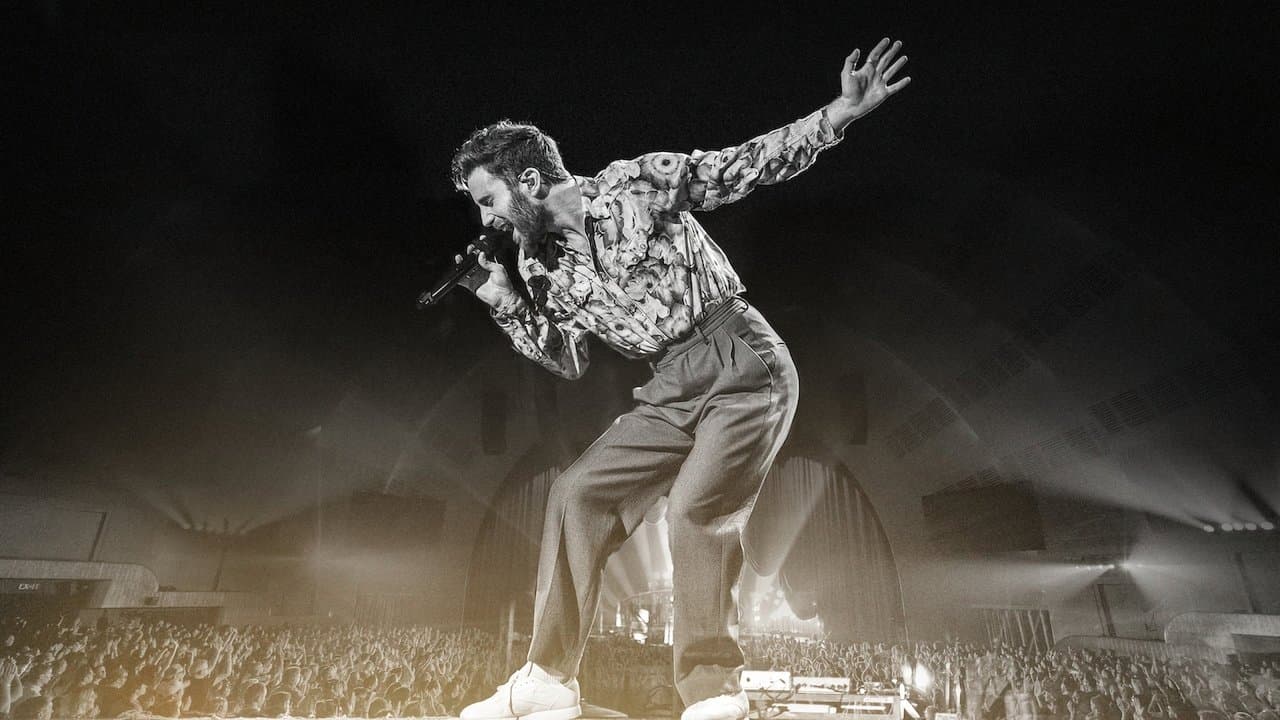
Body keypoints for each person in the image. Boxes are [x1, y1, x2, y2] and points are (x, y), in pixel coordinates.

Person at [451, 38, 911, 720]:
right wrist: (507, 304)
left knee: (696, 510)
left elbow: (742, 167)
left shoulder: (636, 184)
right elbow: (570, 360)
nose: (485, 220)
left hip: (738, 357)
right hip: (667, 384)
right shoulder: (540, 265)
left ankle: (714, 688)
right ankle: (548, 676)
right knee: (577, 492)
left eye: (488, 200)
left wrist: (838, 114)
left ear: (530, 181)